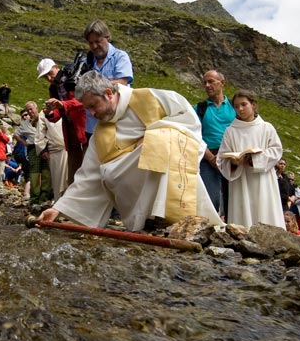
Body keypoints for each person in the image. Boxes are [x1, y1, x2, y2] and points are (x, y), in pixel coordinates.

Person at [37, 71, 220, 232]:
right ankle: (147, 218)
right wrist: (58, 209)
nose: (91, 114)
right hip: (134, 205)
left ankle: (168, 214)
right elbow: (87, 175)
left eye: (93, 106)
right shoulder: (101, 134)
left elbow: (189, 123)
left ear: (108, 94)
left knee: (162, 138)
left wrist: (151, 135)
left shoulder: (150, 99)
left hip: (169, 167)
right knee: (107, 172)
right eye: (87, 109)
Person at [215, 90, 284, 230]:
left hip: (263, 180)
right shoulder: (230, 131)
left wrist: (255, 159)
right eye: (236, 106)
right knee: (243, 217)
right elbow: (221, 159)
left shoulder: (266, 128)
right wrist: (233, 163)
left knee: (265, 211)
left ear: (253, 105)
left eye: (243, 104)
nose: (240, 109)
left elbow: (276, 150)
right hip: (241, 180)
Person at [39, 57, 87, 188]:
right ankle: (73, 194)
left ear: (56, 67)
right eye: (45, 76)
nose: (49, 78)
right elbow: (58, 112)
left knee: (88, 161)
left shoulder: (73, 78)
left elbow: (82, 101)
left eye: (50, 73)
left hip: (83, 125)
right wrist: (50, 113)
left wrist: (63, 104)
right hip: (70, 127)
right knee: (74, 163)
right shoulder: (53, 89)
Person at [82, 19, 133, 139]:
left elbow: (122, 82)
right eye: (91, 43)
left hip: (117, 122)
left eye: (98, 41)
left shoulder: (120, 57)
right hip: (92, 125)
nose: (94, 46)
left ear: (107, 37)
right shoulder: (85, 62)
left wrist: (95, 87)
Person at [195, 70, 236, 218]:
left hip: (233, 157)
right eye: (205, 82)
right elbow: (194, 134)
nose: (207, 85)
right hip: (208, 157)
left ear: (222, 83)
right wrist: (211, 158)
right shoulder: (200, 109)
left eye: (211, 81)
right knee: (210, 199)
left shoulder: (235, 106)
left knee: (234, 200)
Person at [24, 102, 53, 205]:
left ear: (36, 108)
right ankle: (35, 197)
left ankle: (44, 197)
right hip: (32, 148)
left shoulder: (44, 116)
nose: (30, 112)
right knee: (34, 173)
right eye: (28, 110)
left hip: (47, 146)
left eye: (31, 109)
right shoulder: (27, 122)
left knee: (46, 172)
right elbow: (17, 135)